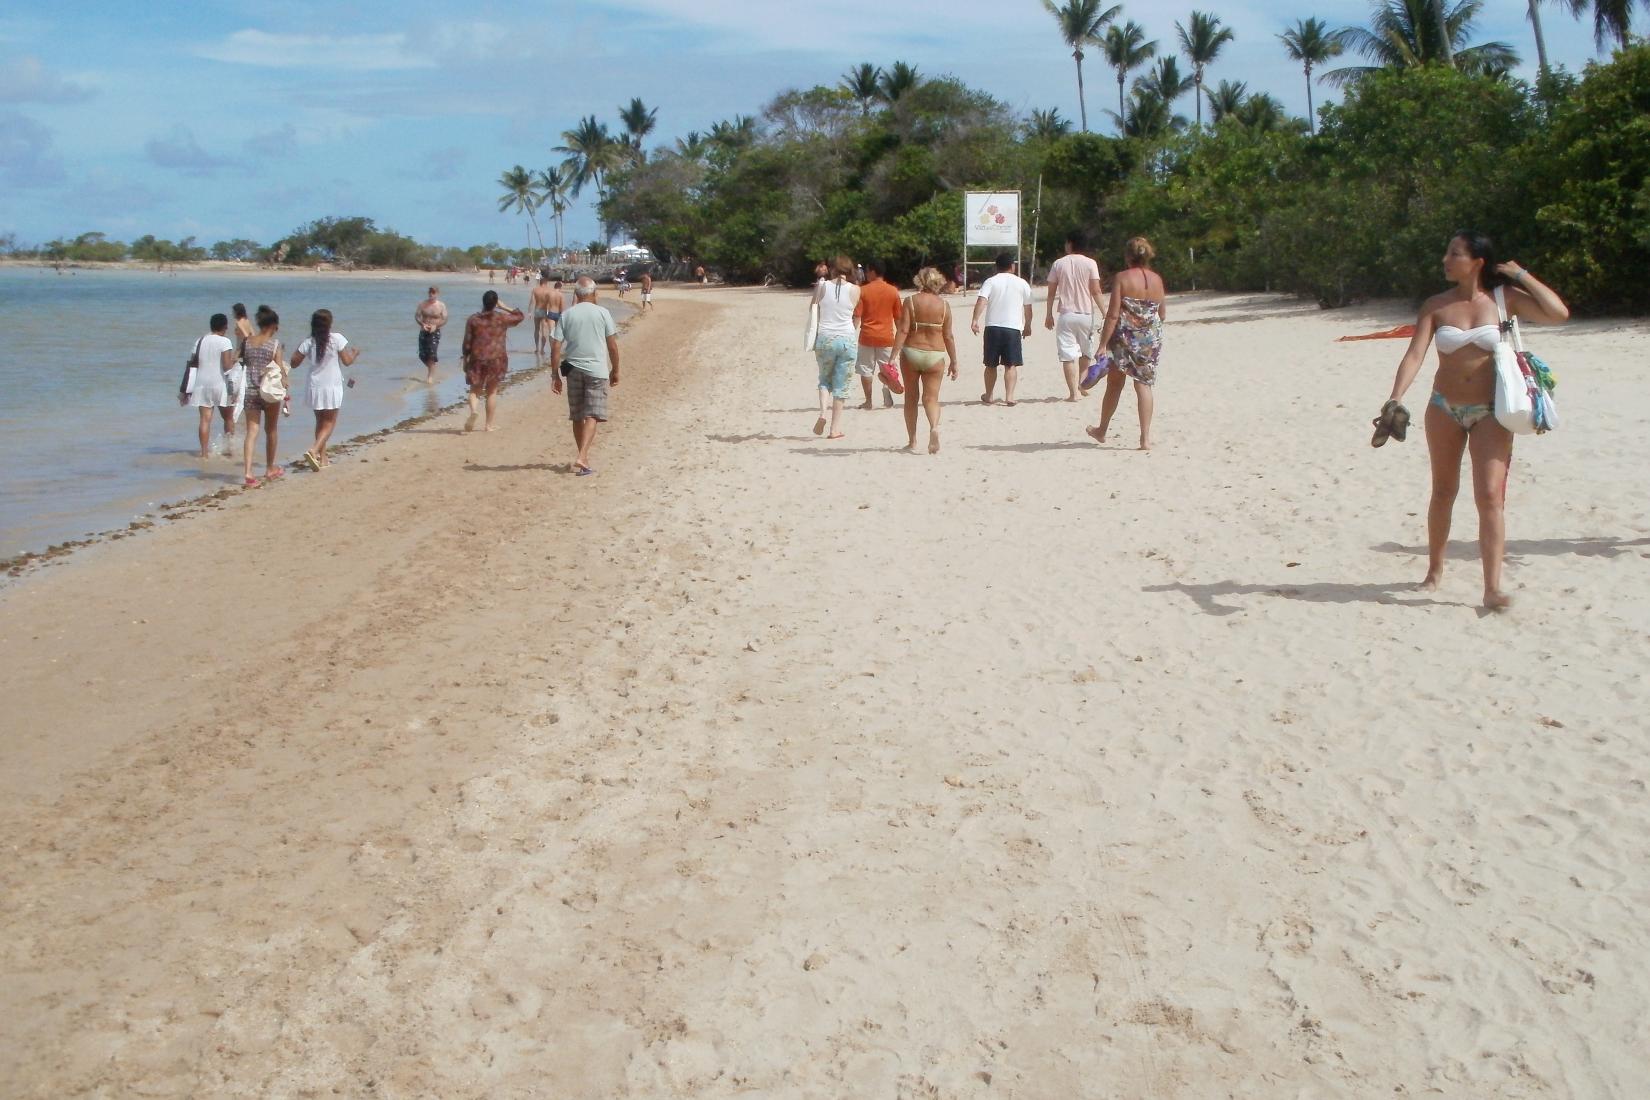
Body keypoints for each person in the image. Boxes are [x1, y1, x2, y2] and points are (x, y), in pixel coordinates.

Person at [1379, 231, 1569, 610]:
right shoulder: (1436, 305)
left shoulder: (1504, 300)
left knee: (1489, 497)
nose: (1445, 260)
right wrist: (1395, 398)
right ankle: (1434, 570)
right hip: (1443, 407)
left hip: (1491, 412)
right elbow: (1415, 355)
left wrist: (1521, 275)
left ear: (1477, 261)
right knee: (1443, 491)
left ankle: (1491, 588)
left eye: (1454, 254)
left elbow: (1558, 313)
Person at [1089, 237, 1166, 451]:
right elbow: (1162, 313)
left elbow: (1113, 315)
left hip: (1125, 337)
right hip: (1150, 339)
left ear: (1127, 256)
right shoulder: (1157, 280)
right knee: (1143, 385)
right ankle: (1145, 439)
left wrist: (1103, 344)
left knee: (1115, 384)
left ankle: (1102, 429)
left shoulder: (1122, 278)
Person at [550, 276, 620, 475]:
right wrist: (616, 369)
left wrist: (554, 374)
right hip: (596, 370)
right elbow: (612, 345)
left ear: (576, 295)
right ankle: (582, 456)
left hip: (572, 370)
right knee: (592, 414)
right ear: (595, 293)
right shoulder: (603, 313)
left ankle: (584, 458)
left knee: (578, 415)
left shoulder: (567, 315)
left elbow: (556, 345)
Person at [889, 266, 959, 454]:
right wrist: (954, 361)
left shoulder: (910, 301)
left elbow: (903, 330)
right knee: (931, 398)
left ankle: (912, 441)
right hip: (935, 355)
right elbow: (948, 336)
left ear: (919, 281)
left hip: (912, 351)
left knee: (911, 398)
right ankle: (934, 427)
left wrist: (893, 355)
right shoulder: (944, 306)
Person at [290, 308, 359, 470]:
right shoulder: (336, 339)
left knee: (320, 422)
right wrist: (355, 353)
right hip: (332, 385)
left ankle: (323, 459)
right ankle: (314, 450)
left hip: (314, 386)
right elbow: (347, 361)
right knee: (329, 424)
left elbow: (293, 363)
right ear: (329, 324)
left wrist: (299, 348)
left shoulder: (308, 341)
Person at [1044, 231, 1104, 401]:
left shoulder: (1058, 264)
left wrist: (1049, 314)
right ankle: (1081, 383)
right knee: (1086, 352)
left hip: (1066, 314)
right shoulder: (1090, 263)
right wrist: (1105, 312)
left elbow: (1051, 292)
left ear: (1070, 244)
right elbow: (1096, 290)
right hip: (1086, 314)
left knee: (1068, 355)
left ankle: (1073, 393)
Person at [970, 253, 1032, 406]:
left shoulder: (990, 281)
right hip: (1012, 328)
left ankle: (989, 395)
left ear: (996, 267)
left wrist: (975, 320)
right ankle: (1009, 396)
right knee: (1010, 364)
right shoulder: (1022, 283)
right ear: (1013, 266)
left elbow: (982, 301)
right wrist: (1028, 325)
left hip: (993, 327)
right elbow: (1028, 308)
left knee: (990, 364)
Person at [460, 289, 525, 432]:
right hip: (497, 358)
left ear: (483, 302)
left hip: (477, 358)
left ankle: (473, 412)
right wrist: (504, 307)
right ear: (495, 303)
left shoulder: (473, 319)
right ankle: (488, 425)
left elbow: (467, 342)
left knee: (475, 390)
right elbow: (520, 316)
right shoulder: (501, 318)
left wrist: (465, 358)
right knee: (491, 391)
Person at [810, 255, 860, 439]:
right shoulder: (855, 290)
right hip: (846, 339)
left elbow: (813, 309)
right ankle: (834, 429)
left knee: (824, 379)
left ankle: (823, 413)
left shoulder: (821, 286)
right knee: (842, 386)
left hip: (825, 338)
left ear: (833, 269)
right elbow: (852, 310)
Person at [239, 306, 290, 487]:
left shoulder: (247, 342)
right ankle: (269, 468)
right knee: (271, 430)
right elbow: (281, 372)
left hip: (251, 391)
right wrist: (286, 389)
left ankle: (248, 472)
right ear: (273, 325)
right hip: (268, 392)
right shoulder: (275, 344)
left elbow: (234, 361)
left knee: (251, 432)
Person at [184, 313, 237, 458]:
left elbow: (193, 363)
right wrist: (235, 360)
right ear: (225, 327)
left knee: (204, 419)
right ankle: (229, 450)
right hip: (220, 384)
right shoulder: (225, 341)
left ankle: (204, 453)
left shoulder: (200, 341)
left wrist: (185, 390)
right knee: (228, 417)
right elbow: (226, 366)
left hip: (201, 384)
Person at [853, 258, 902, 410]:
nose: (866, 274)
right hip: (886, 337)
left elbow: (857, 317)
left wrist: (850, 333)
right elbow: (898, 319)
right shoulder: (893, 291)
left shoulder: (863, 291)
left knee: (866, 369)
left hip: (867, 335)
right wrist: (901, 338)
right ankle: (886, 388)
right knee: (887, 369)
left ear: (873, 271)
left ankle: (868, 401)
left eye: (867, 271)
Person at [414, 286, 448, 384]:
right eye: (430, 292)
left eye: (433, 293)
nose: (431, 295)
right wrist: (422, 324)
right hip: (423, 331)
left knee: (431, 355)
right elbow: (417, 316)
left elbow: (445, 319)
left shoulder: (441, 306)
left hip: (435, 332)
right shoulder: (422, 304)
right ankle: (432, 367)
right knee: (422, 355)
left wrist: (436, 326)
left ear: (437, 293)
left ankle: (430, 377)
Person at [530, 274, 562, 357]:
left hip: (537, 310)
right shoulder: (549, 291)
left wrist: (529, 312)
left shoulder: (535, 289)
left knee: (536, 329)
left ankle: (537, 348)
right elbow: (550, 303)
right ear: (546, 283)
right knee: (544, 330)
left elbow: (532, 301)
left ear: (540, 282)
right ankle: (542, 349)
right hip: (545, 311)